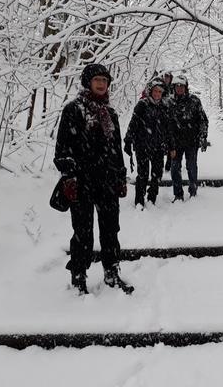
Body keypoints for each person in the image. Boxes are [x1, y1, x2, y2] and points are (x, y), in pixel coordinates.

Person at [54, 64, 134, 295]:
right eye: (97, 79)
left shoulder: (111, 114)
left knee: (111, 230)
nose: (101, 84)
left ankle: (112, 272)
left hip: (107, 181)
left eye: (104, 80)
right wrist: (69, 176)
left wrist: (120, 176)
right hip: (82, 182)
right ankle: (78, 276)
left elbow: (115, 149)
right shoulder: (73, 110)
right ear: (87, 82)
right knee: (83, 232)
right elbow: (62, 148)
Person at [124, 77, 170, 207]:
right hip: (142, 146)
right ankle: (139, 200)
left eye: (160, 92)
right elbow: (133, 124)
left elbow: (168, 128)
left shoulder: (164, 107)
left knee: (157, 175)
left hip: (158, 147)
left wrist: (170, 145)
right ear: (150, 91)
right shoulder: (142, 105)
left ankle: (152, 198)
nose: (157, 94)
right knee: (142, 175)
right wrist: (128, 140)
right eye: (155, 91)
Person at [168, 74, 208, 200]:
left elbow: (203, 120)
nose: (179, 88)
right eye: (177, 86)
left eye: (182, 86)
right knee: (175, 169)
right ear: (174, 87)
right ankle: (178, 194)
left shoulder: (194, 101)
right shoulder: (169, 102)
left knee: (191, 167)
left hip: (192, 141)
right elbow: (166, 124)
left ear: (186, 87)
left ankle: (193, 191)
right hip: (175, 143)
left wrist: (203, 136)